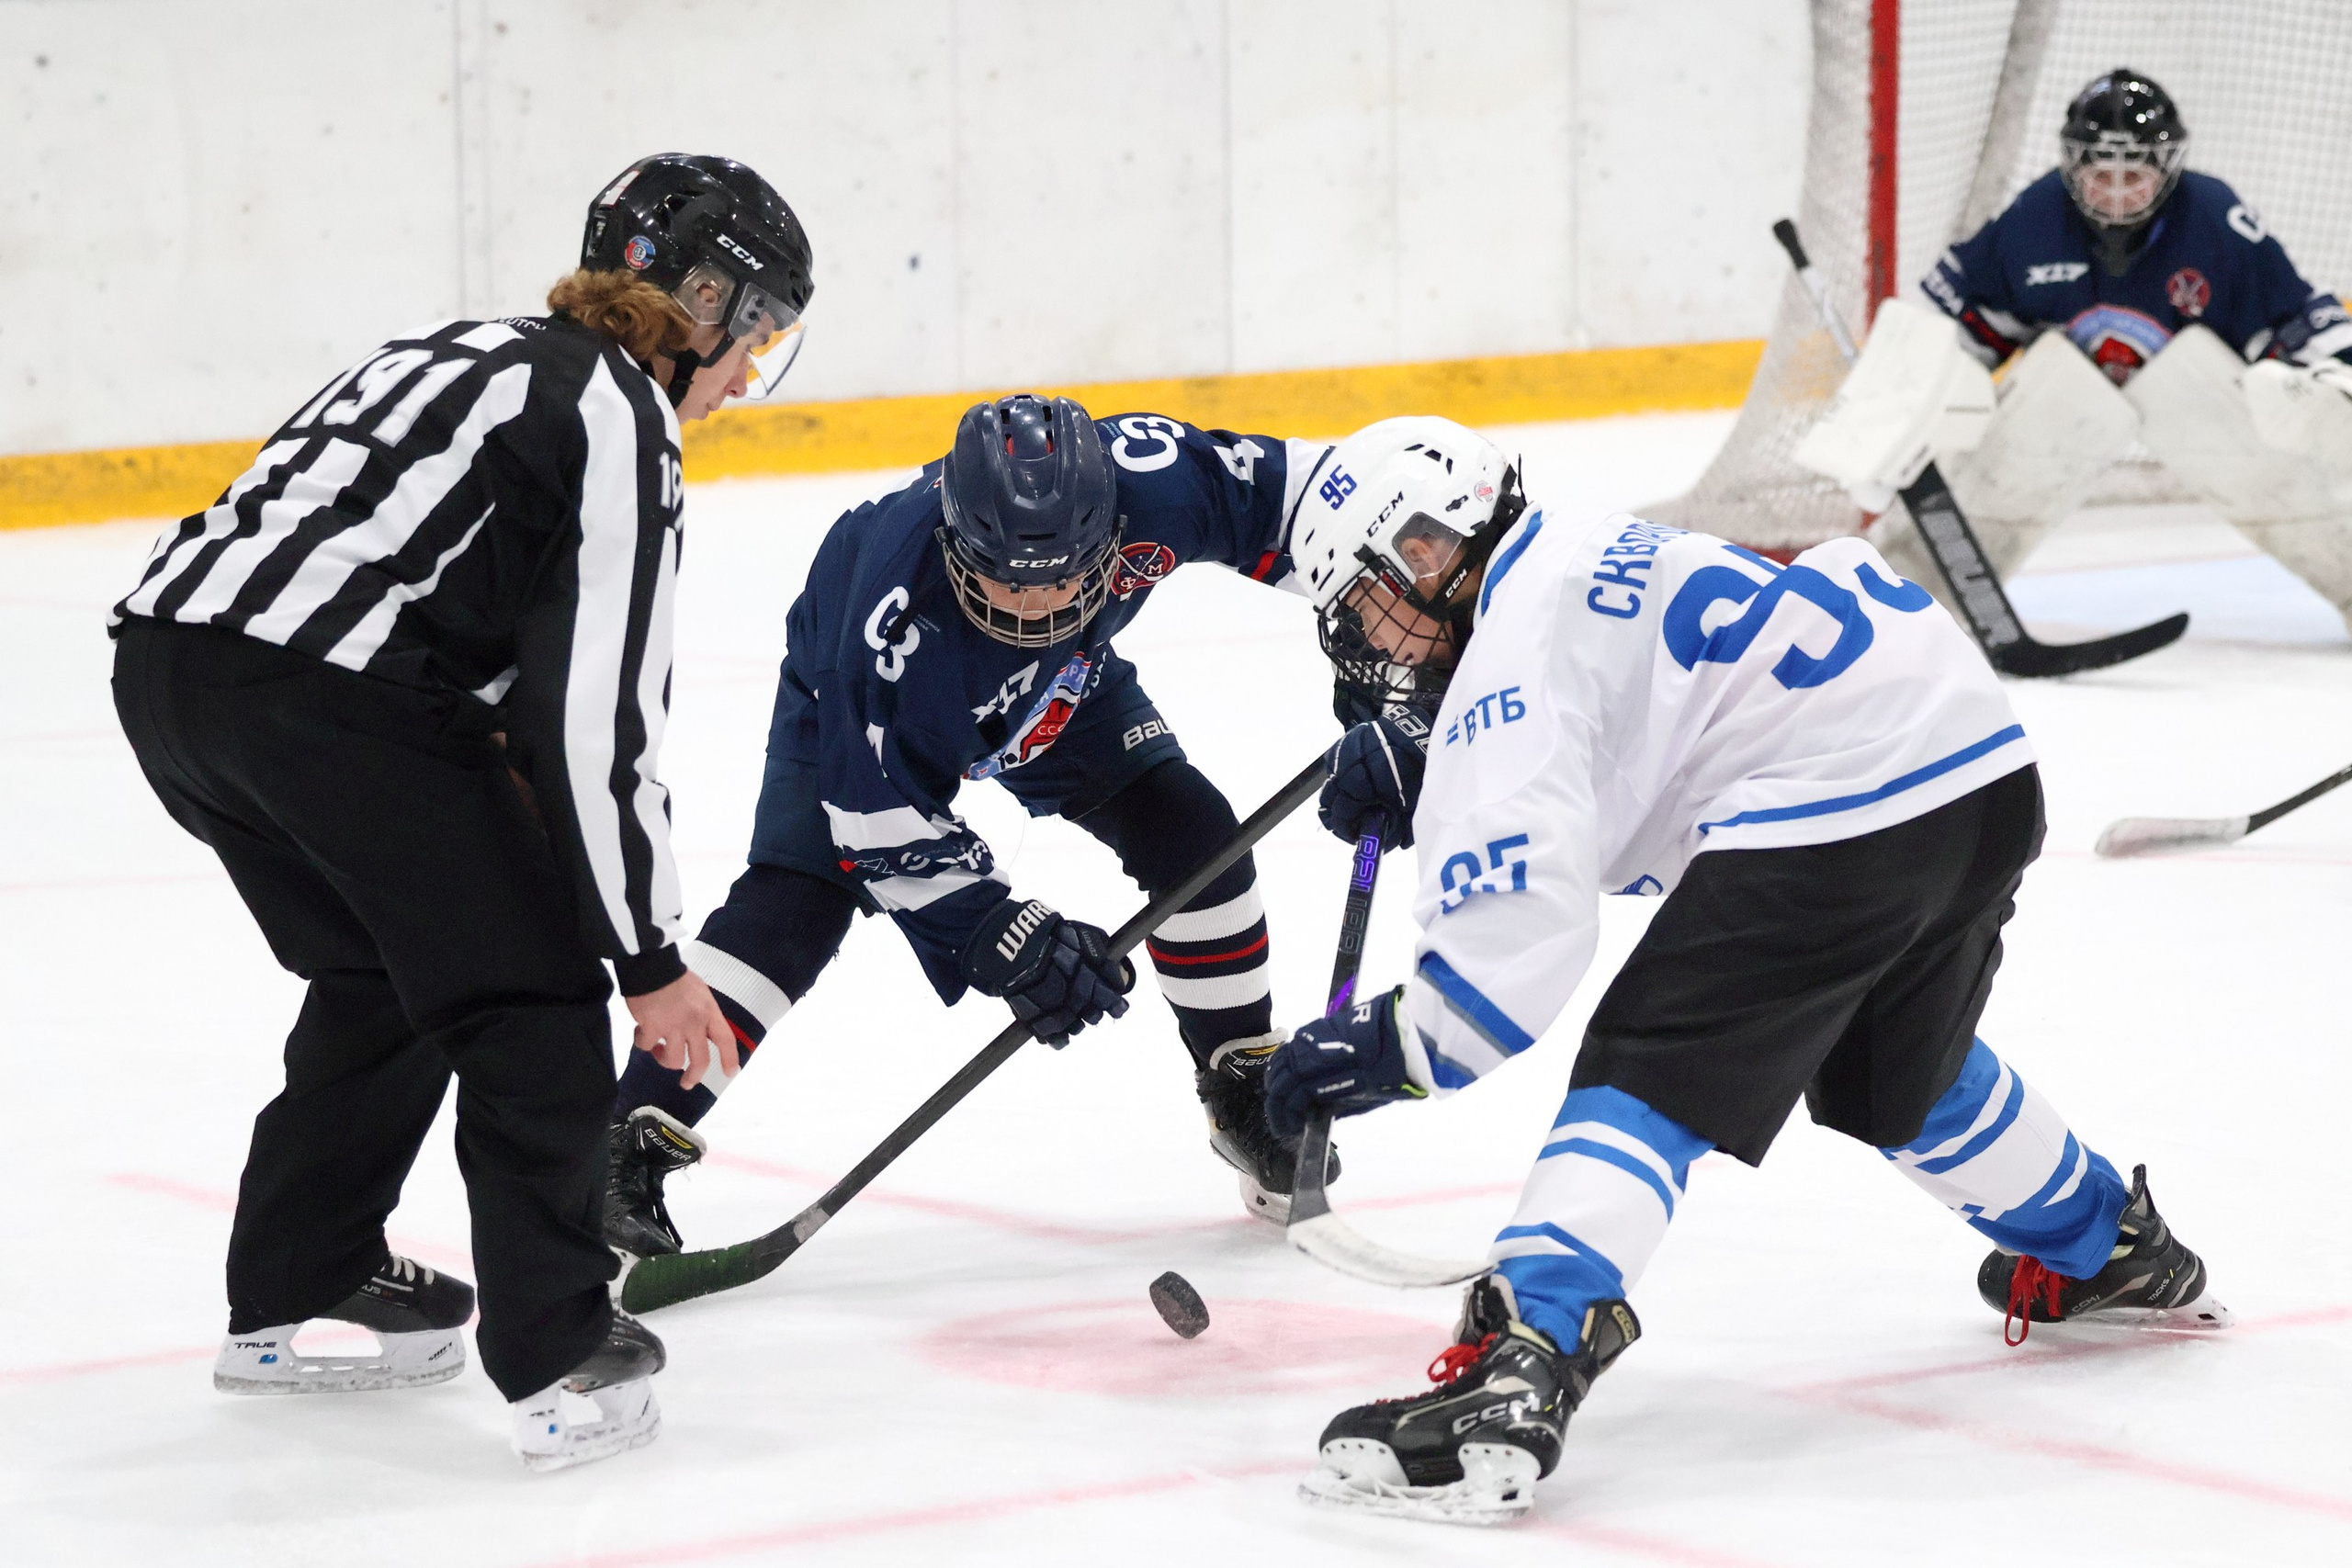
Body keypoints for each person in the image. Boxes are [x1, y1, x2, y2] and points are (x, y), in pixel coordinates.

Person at [1261, 416, 2229, 1526]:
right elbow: (1649, 777)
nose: (1363, 636)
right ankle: (2103, 1242)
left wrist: (1387, 1049)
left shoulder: (1504, 679)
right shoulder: (1570, 547)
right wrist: (1441, 782)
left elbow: (1504, 970)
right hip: (1975, 769)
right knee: (1891, 1074)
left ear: (1427, 553)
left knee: (1652, 1060)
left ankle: (1526, 1364)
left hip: (1840, 804)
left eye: (1364, 598)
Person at [108, 152, 813, 1472]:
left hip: (168, 671)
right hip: (327, 699)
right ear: (703, 300)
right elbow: (594, 719)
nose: (740, 384)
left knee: (382, 968)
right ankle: (559, 1358)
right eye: (753, 341)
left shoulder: (455, 346)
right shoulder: (623, 416)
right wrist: (648, 959)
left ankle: (294, 1289)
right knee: (530, 994)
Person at [602, 394, 1346, 1257]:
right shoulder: (885, 620)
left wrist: (1395, 621)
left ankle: (1242, 1086)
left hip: (1065, 688)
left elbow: (1312, 503)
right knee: (794, 905)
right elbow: (875, 825)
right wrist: (1005, 933)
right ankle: (625, 1145)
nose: (1033, 607)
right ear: (957, 537)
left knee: (1194, 831)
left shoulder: (1155, 478)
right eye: (1005, 578)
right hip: (872, 701)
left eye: (1064, 577)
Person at [1797, 68, 2352, 625]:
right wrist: (1896, 406)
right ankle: (1898, 611)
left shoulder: (2213, 218)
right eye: (2098, 176)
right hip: (2062, 415)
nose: (2113, 195)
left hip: (2200, 407)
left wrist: (2337, 373)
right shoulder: (2036, 217)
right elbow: (1951, 321)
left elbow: (2297, 316)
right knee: (2046, 406)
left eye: (2131, 176)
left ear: (2166, 170)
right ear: (2072, 167)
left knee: (2272, 460)